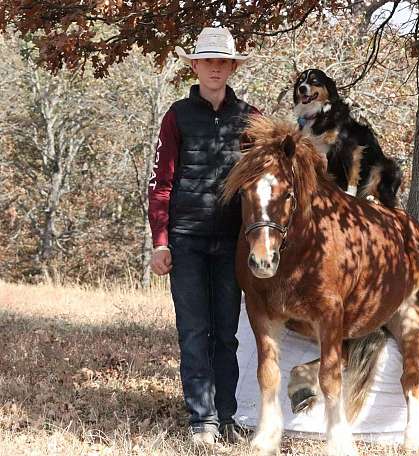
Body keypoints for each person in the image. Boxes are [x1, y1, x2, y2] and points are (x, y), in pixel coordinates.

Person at [147, 27, 259, 446]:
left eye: (223, 61)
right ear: (194, 66)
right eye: (207, 60)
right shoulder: (177, 116)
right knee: (194, 331)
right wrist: (161, 240)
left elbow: (268, 180)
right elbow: (161, 184)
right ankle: (202, 421)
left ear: (232, 67)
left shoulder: (251, 118)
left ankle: (226, 416)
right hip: (187, 240)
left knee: (227, 334)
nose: (215, 68)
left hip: (233, 243)